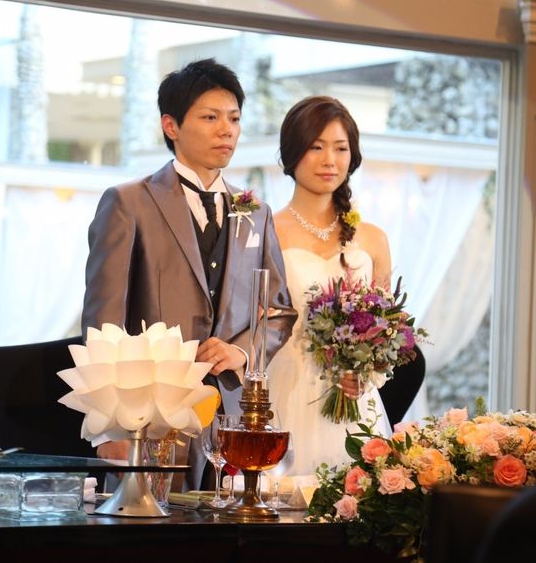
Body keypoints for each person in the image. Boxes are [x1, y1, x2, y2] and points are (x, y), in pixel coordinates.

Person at [81, 58, 297, 491]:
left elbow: (279, 311)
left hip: (232, 423)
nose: (226, 130)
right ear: (171, 126)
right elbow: (103, 325)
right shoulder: (129, 202)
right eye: (210, 117)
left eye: (234, 118)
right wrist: (108, 430)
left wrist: (242, 352)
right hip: (150, 420)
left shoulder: (256, 212)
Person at [267, 95, 394, 477]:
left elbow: (387, 330)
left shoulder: (373, 238)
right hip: (287, 389)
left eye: (340, 148)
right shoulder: (266, 232)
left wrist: (367, 368)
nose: (329, 160)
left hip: (354, 399)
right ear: (292, 153)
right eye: (316, 147)